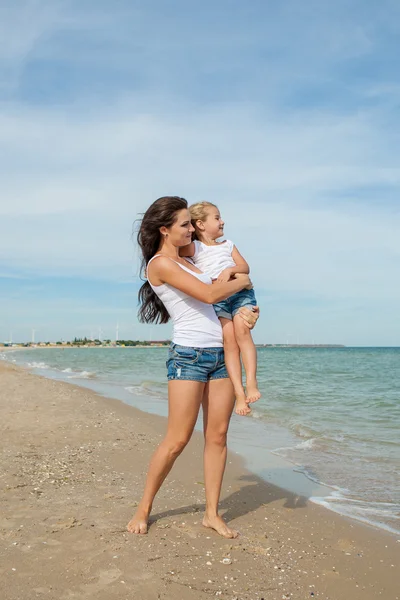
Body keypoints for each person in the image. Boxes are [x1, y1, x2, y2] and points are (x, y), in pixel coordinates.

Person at [127, 196, 259, 539]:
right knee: (177, 440)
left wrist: (246, 314)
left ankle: (212, 514)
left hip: (220, 356)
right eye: (185, 224)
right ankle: (143, 508)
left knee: (217, 437)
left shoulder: (190, 258)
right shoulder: (160, 264)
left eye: (191, 223)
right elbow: (209, 296)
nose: (191, 229)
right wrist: (243, 282)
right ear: (164, 229)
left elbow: (218, 289)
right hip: (189, 356)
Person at [180, 201, 260, 417]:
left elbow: (245, 268)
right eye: (216, 217)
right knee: (229, 342)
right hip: (220, 298)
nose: (222, 221)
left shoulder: (228, 245)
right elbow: (174, 250)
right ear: (200, 224)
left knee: (243, 332)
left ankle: (251, 382)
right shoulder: (194, 247)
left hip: (241, 294)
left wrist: (230, 269)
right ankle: (239, 394)